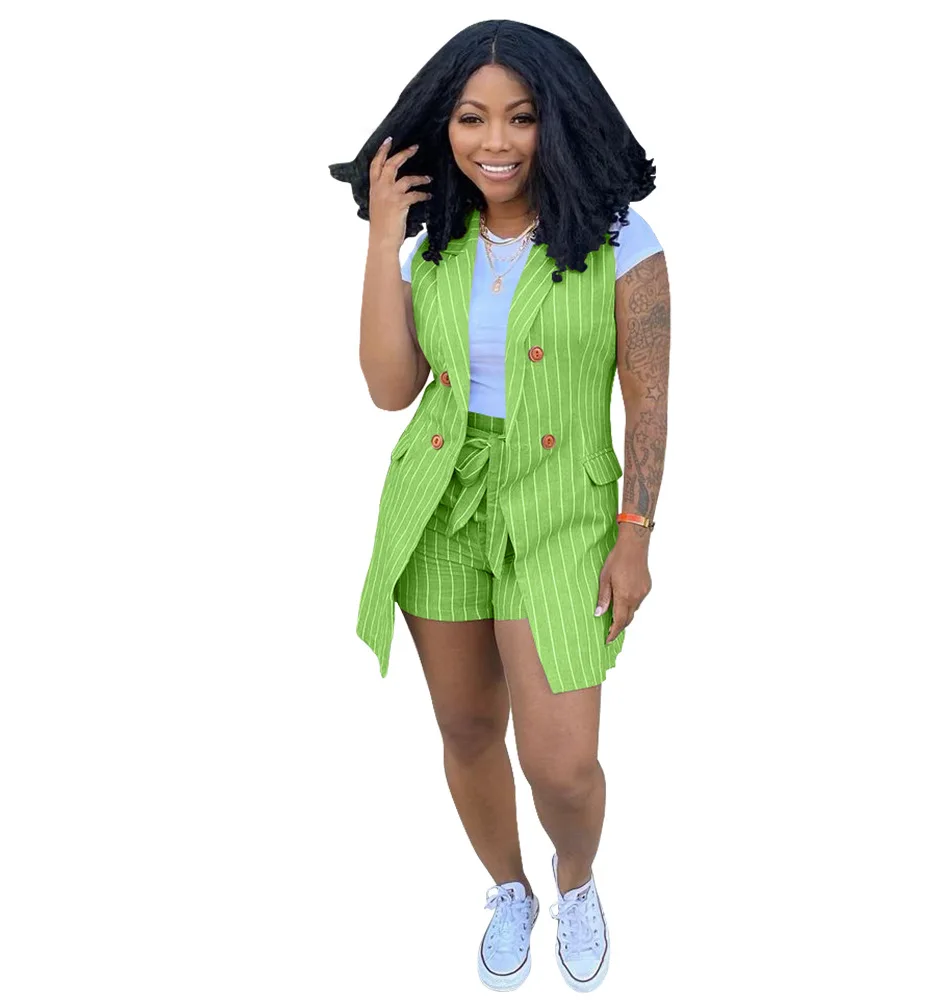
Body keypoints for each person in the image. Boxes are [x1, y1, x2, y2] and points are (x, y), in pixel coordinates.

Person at [329, 19, 670, 993]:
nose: (496, 141)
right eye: (472, 118)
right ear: (444, 126)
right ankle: (509, 887)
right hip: (441, 498)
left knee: (562, 765)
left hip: (562, 505)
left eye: (521, 117)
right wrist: (384, 236)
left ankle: (576, 879)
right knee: (469, 727)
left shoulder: (620, 240)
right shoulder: (432, 244)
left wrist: (635, 535)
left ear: (558, 121)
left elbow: (647, 399)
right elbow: (391, 390)